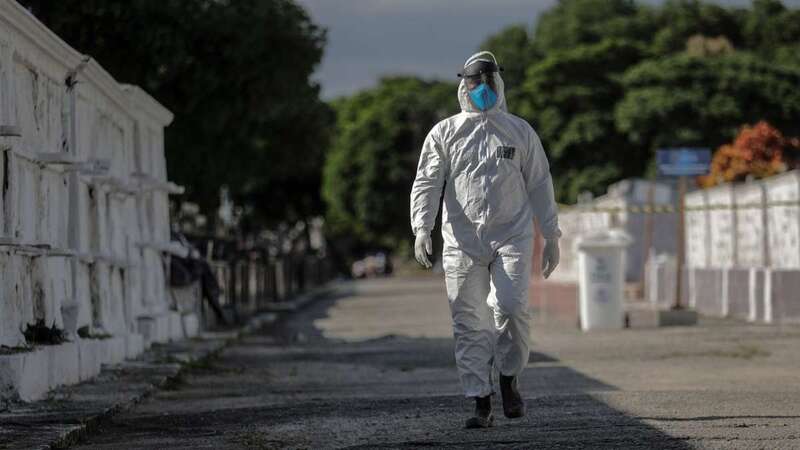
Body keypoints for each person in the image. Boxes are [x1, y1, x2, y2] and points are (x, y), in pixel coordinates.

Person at [409, 51, 561, 429]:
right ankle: (480, 400)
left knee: (510, 308)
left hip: (512, 234)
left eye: (488, 82)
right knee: (468, 320)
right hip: (461, 241)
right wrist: (421, 228)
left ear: (499, 84)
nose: (482, 89)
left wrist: (552, 233)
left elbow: (540, 183)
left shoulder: (519, 131)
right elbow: (428, 181)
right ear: (464, 86)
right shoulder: (445, 132)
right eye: (475, 83)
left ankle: (509, 379)